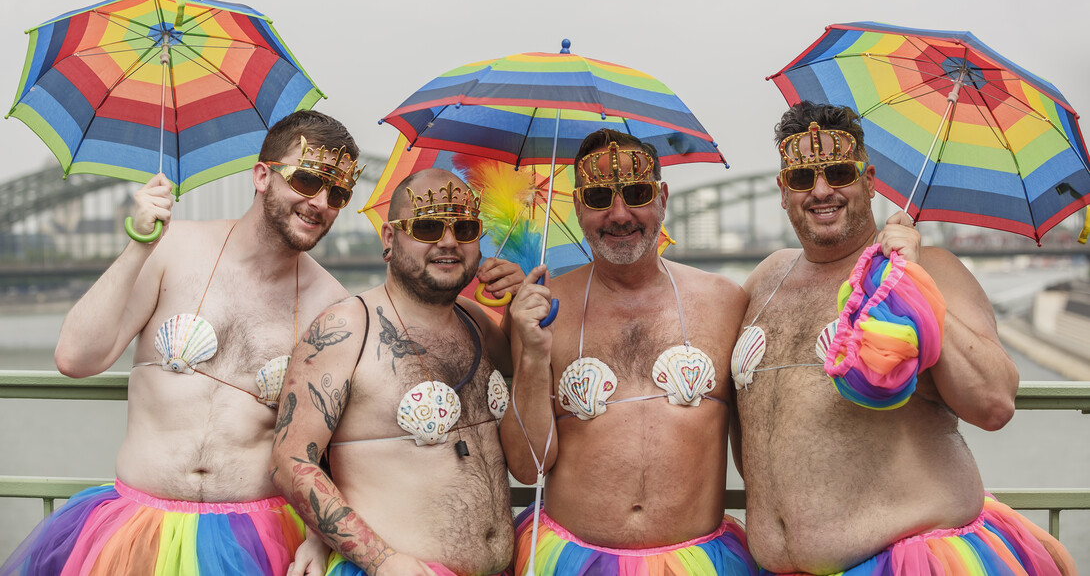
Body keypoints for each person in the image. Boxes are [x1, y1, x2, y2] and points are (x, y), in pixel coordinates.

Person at [1, 110, 364, 576]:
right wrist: (138, 245)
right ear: (261, 176)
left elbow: (339, 444)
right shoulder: (173, 248)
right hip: (136, 533)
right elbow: (75, 358)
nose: (321, 203)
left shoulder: (334, 306)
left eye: (338, 193)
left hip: (259, 541)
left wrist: (318, 536)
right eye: (308, 180)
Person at [732, 101, 1076, 575]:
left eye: (838, 173)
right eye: (802, 179)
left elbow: (995, 402)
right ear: (782, 190)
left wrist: (911, 282)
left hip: (906, 560)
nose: (821, 191)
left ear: (869, 180)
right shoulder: (765, 280)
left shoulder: (929, 269)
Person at [501, 129, 758, 575]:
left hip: (700, 560)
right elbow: (527, 466)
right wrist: (531, 353)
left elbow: (756, 447)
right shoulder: (542, 308)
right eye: (600, 198)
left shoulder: (726, 301)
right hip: (572, 560)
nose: (619, 215)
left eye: (636, 193)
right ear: (579, 206)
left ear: (662, 198)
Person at [269, 168, 524, 576]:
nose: (448, 242)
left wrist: (519, 303)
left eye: (465, 228)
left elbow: (524, 372)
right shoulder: (347, 326)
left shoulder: (475, 321)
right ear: (390, 238)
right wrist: (383, 561)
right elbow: (291, 460)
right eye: (426, 227)